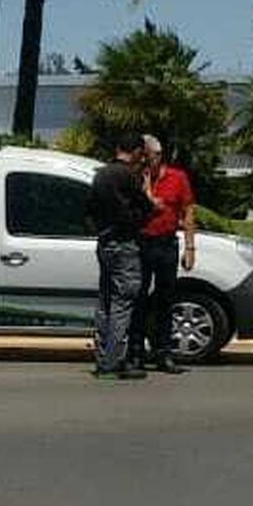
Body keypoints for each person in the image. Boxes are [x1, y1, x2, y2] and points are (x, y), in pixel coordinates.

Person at [86, 135, 154, 380]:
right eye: (141, 153)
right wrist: (147, 193)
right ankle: (113, 362)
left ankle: (103, 357)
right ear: (136, 152)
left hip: (104, 243)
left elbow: (89, 210)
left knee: (105, 300)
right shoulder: (127, 176)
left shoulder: (100, 174)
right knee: (122, 303)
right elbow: (146, 209)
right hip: (125, 244)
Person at [130, 134, 197, 374]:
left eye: (152, 156)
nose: (148, 161)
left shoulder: (178, 178)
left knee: (165, 300)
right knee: (138, 299)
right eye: (145, 156)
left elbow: (188, 211)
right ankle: (135, 352)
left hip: (167, 243)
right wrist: (145, 186)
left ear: (159, 155)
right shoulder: (136, 178)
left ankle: (163, 352)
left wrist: (190, 247)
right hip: (142, 242)